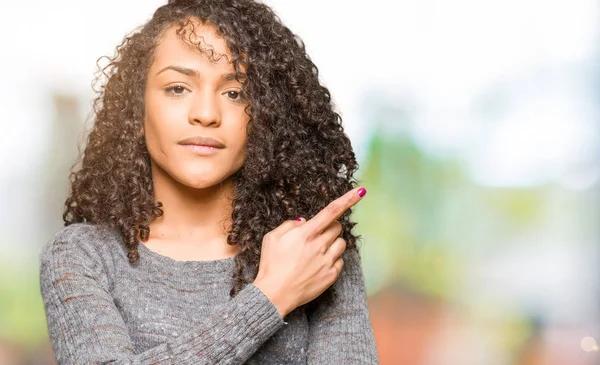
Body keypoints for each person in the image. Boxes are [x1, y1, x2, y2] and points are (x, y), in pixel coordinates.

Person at [39, 0, 379, 363]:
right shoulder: (83, 255)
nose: (205, 114)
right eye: (177, 88)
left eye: (235, 93)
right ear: (136, 110)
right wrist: (271, 296)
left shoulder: (312, 249)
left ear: (266, 116)